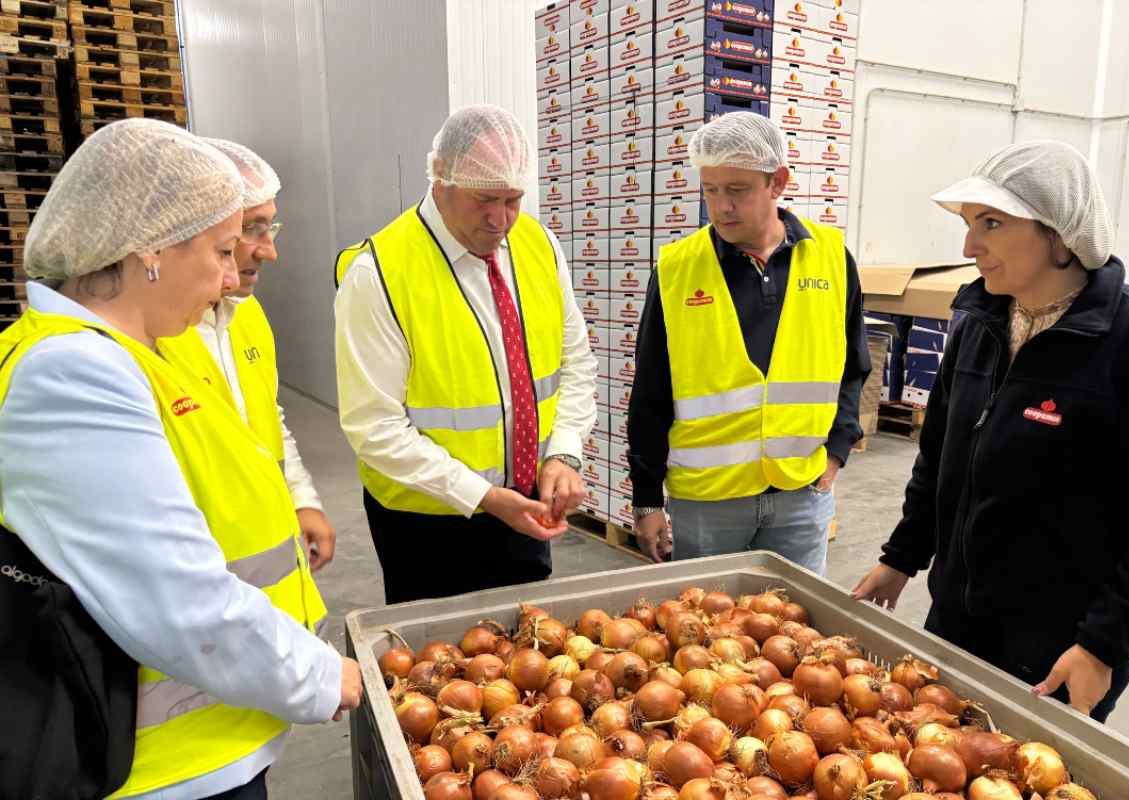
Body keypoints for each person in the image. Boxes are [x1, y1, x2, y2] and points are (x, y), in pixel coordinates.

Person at [0, 119, 360, 799]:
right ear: (151, 253)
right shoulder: (72, 374)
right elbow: (177, 600)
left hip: (220, 728)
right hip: (161, 767)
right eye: (222, 251)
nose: (230, 278)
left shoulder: (147, 350)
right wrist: (316, 676)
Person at [852, 140, 1129, 723]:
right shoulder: (980, 321)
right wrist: (902, 555)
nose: (967, 246)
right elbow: (938, 458)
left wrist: (1105, 643)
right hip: (955, 616)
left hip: (1062, 646)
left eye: (990, 223)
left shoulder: (1127, 340)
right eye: (967, 223)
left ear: (1059, 233)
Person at [334, 104, 598, 604]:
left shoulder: (537, 244)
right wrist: (480, 496)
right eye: (484, 200)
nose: (501, 220)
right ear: (440, 181)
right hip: (428, 521)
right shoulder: (379, 274)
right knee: (438, 666)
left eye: (513, 199)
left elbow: (576, 361)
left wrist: (563, 453)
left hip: (525, 503)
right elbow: (374, 427)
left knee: (527, 653)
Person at [628, 112, 869, 573]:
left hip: (802, 494)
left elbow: (853, 367)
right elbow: (650, 392)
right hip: (707, 503)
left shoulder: (832, 258)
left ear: (777, 183)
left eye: (737, 190)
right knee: (705, 635)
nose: (721, 207)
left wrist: (836, 452)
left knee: (797, 631)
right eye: (710, 189)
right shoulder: (678, 269)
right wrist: (646, 499)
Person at [162, 138, 336, 571]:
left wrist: (302, 499)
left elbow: (266, 418)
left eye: (270, 228)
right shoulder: (153, 332)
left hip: (272, 573)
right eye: (252, 229)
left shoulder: (247, 313)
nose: (269, 250)